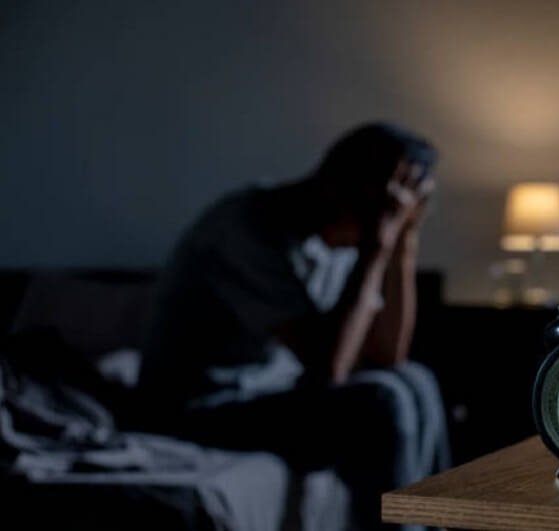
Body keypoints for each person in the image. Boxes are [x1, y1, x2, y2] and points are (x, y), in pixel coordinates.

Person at [138, 123, 450, 530]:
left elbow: (388, 356)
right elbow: (329, 369)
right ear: (355, 189)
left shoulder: (340, 238)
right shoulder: (246, 228)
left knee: (414, 380)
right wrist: (378, 246)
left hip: (272, 395)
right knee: (381, 401)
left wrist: (405, 243)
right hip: (198, 409)